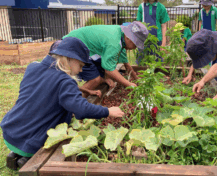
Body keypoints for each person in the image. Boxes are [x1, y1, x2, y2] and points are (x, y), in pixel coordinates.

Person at [1, 37, 125, 170]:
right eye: (81, 66)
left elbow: (50, 86)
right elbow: (81, 110)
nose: (81, 71)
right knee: (49, 138)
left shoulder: (33, 67)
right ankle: (27, 158)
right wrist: (108, 111)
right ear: (70, 59)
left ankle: (16, 155)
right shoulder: (65, 81)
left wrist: (85, 90)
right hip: (32, 140)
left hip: (10, 131)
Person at [61, 21, 149, 98]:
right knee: (95, 79)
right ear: (129, 38)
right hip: (73, 46)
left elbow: (126, 64)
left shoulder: (121, 37)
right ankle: (74, 104)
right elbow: (109, 70)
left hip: (85, 48)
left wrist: (136, 79)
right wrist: (128, 84)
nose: (135, 48)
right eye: (135, 44)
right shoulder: (114, 42)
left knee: (101, 77)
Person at [136, 0, 170, 64]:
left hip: (157, 40)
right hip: (144, 39)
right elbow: (138, 24)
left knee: (158, 63)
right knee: (141, 62)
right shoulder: (142, 7)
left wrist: (163, 43)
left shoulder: (161, 7)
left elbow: (164, 26)